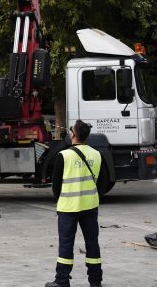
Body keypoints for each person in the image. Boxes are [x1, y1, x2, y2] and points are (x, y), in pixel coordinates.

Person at [47, 120, 112, 287]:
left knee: (66, 244)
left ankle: (62, 281)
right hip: (90, 207)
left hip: (68, 208)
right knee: (92, 243)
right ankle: (95, 282)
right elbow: (102, 183)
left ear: (73, 135)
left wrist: (59, 202)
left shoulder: (64, 155)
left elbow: (56, 186)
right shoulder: (97, 154)